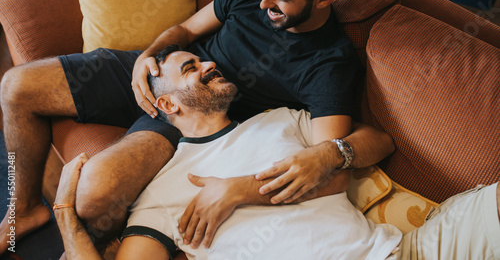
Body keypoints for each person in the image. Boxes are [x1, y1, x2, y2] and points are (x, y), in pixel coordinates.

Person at [0, 0, 395, 252]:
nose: (263, 3)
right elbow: (187, 30)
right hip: (171, 67)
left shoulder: (330, 64)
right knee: (17, 86)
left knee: (95, 195)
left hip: (201, 110)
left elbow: (328, 171)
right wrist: (150, 55)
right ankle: (22, 207)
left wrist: (239, 189)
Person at [53, 47, 500, 260]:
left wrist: (327, 155)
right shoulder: (160, 195)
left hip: (408, 251)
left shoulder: (282, 118)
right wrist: (68, 220)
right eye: (191, 68)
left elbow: (379, 141)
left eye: (206, 61)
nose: (210, 65)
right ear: (168, 104)